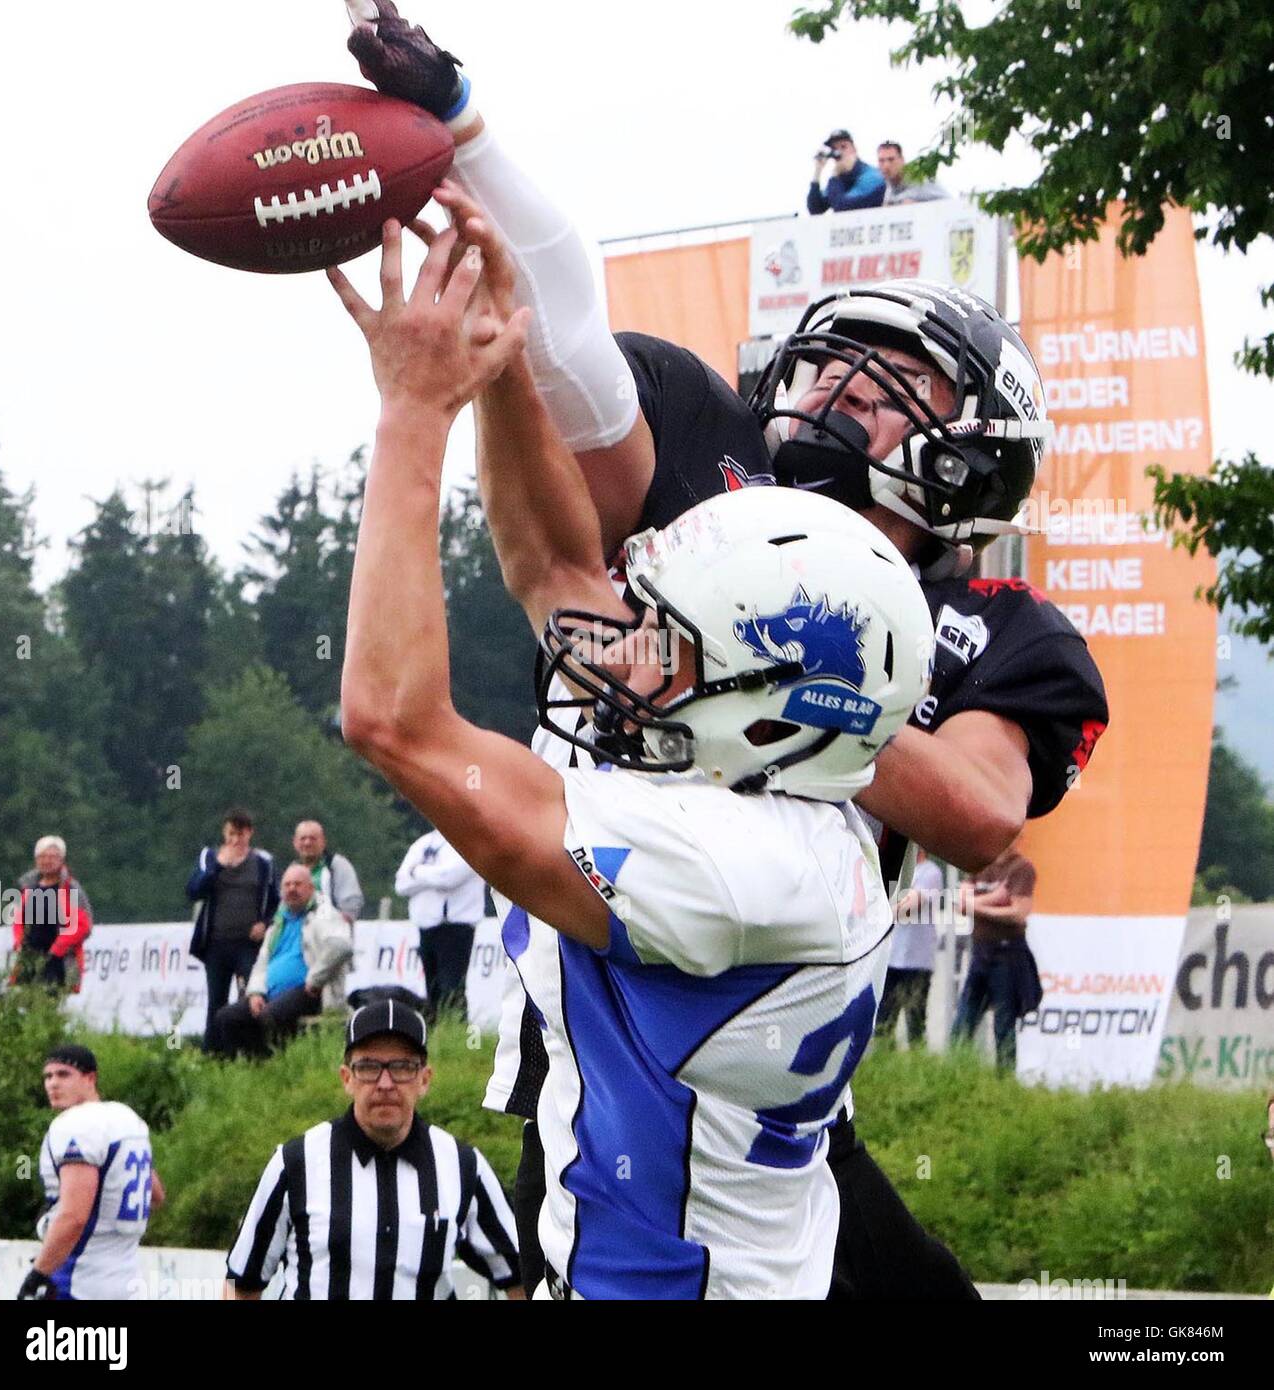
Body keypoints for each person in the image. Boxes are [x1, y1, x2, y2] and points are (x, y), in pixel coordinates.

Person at [341, 3, 1107, 1299]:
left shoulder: (970, 650)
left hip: (708, 950)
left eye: (886, 380)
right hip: (652, 999)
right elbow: (558, 547)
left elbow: (979, 810)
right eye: (837, 365)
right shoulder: (715, 469)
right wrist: (472, 181)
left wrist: (737, 671)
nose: (834, 389)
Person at [328, 199, 935, 1298]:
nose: (625, 646)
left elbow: (395, 720)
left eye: (667, 635)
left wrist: (412, 413)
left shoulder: (726, 864)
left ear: (767, 699)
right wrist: (502, 361)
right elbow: (554, 567)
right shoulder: (769, 774)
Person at [227, 1000, 522, 1299]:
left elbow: (523, 1274)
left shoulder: (462, 1167)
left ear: (424, 1079)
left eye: (402, 1067)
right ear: (347, 1078)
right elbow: (242, 1283)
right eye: (368, 1067)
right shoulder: (295, 1163)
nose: (385, 1083)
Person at [19, 1044, 164, 1301]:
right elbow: (156, 1193)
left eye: (63, 1075)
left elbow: (74, 1216)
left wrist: (38, 1274)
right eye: (48, 1076)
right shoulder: (126, 1118)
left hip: (78, 1278)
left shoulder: (76, 1125)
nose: (52, 1084)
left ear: (90, 1078)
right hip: (127, 1279)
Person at [211, 863, 354, 1060]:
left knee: (270, 1016)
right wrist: (254, 993)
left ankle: (277, 1066)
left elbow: (342, 946)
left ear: (311, 889)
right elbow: (261, 963)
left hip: (309, 992)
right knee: (226, 1017)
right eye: (287, 885)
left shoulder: (324, 916)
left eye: (298, 884)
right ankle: (253, 1068)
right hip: (270, 994)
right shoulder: (278, 924)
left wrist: (315, 979)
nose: (292, 889)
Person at [186, 808, 279, 1052]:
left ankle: (252, 1050)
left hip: (248, 943)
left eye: (240, 834)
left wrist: (265, 923)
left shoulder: (263, 863)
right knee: (216, 1000)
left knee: (251, 996)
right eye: (230, 834)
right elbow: (194, 890)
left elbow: (276, 901)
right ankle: (212, 1054)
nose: (235, 840)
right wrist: (217, 868)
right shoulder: (210, 857)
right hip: (216, 942)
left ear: (249, 834)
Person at [950, 844, 1041, 1072]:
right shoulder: (980, 866)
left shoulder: (1021, 868)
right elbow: (959, 904)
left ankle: (1004, 1081)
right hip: (980, 952)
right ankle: (955, 1076)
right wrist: (996, 898)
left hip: (1007, 954)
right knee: (963, 1024)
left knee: (1003, 1025)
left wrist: (975, 905)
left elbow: (1018, 913)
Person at [395, 827, 486, 1018]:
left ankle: (460, 1035)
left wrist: (416, 872)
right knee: (432, 989)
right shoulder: (422, 843)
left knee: (451, 988)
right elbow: (401, 884)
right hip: (427, 926)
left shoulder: (468, 841)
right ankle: (435, 1035)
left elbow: (449, 878)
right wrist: (430, 876)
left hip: (456, 926)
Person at [875, 848, 943, 1045]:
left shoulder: (931, 873)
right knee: (883, 1023)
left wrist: (878, 913)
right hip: (892, 959)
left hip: (917, 961)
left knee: (915, 1023)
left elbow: (909, 906)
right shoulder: (895, 870)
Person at [10, 836, 93, 993]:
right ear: (36, 860)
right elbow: (18, 921)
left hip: (59, 960)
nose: (46, 861)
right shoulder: (28, 889)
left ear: (61, 860)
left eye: (52, 857)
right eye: (42, 856)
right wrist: (19, 943)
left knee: (48, 1007)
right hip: (29, 958)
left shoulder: (71, 889)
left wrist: (57, 949)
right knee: (25, 1006)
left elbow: (83, 926)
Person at [293, 818, 365, 924]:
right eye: (303, 839)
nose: (307, 843)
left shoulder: (337, 865)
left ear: (323, 842)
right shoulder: (293, 870)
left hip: (330, 933)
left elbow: (351, 903)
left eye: (313, 838)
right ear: (295, 842)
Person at [807, 128, 887, 215]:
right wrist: (817, 171)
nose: (839, 152)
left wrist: (834, 176)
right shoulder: (840, 179)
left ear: (854, 149)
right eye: (834, 149)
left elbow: (843, 208)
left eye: (843, 147)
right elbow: (815, 209)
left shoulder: (871, 175)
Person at [877, 141, 949, 205]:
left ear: (902, 160)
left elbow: (949, 203)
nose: (886, 165)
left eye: (891, 160)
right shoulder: (889, 186)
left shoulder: (920, 179)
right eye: (881, 161)